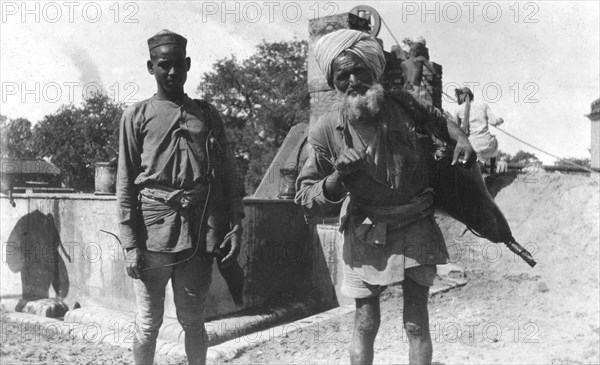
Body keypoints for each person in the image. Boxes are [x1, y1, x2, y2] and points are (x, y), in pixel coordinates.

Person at [295, 29, 474, 365]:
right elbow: (306, 195)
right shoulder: (324, 130)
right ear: (334, 83)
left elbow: (442, 122)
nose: (352, 81)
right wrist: (339, 176)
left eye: (358, 70)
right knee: (365, 321)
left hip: (417, 224)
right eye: (342, 75)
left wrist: (462, 140)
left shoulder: (405, 105)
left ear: (372, 70)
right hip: (365, 230)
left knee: (416, 322)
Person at [116, 29, 245, 365]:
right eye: (163, 65)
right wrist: (130, 245)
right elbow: (125, 183)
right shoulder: (136, 116)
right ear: (150, 67)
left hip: (198, 234)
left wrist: (236, 223)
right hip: (151, 236)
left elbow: (229, 172)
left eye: (178, 65)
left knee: (193, 323)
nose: (172, 72)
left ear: (188, 65)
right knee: (148, 325)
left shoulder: (207, 114)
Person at [453, 87, 505, 175]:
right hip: (486, 143)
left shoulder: (458, 110)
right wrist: (500, 120)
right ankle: (492, 172)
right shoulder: (483, 105)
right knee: (495, 141)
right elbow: (494, 122)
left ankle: (477, 166)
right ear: (471, 96)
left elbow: (456, 129)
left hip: (471, 146)